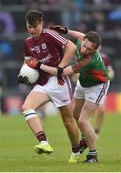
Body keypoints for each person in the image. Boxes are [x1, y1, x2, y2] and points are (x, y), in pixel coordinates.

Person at [34, 25, 111, 163]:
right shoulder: (83, 40)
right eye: (84, 45)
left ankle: (93, 155)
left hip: (97, 86)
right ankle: (85, 140)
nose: (84, 49)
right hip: (83, 83)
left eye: (89, 49)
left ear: (95, 49)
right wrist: (66, 31)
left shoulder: (89, 60)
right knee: (75, 114)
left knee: (83, 120)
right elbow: (81, 35)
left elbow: (63, 72)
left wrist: (39, 66)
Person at [17, 10, 80, 163]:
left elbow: (72, 47)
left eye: (34, 27)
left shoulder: (50, 34)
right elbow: (28, 61)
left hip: (58, 82)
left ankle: (76, 151)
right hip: (43, 82)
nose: (31, 30)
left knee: (68, 121)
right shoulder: (28, 42)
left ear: (41, 24)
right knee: (27, 106)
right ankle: (43, 142)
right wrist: (22, 74)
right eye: (29, 27)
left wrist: (61, 67)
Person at [94, 48, 115, 138]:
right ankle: (86, 133)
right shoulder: (86, 56)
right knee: (87, 113)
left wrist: (109, 76)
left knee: (101, 111)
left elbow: (110, 70)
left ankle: (97, 130)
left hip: (101, 87)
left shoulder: (104, 58)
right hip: (88, 86)